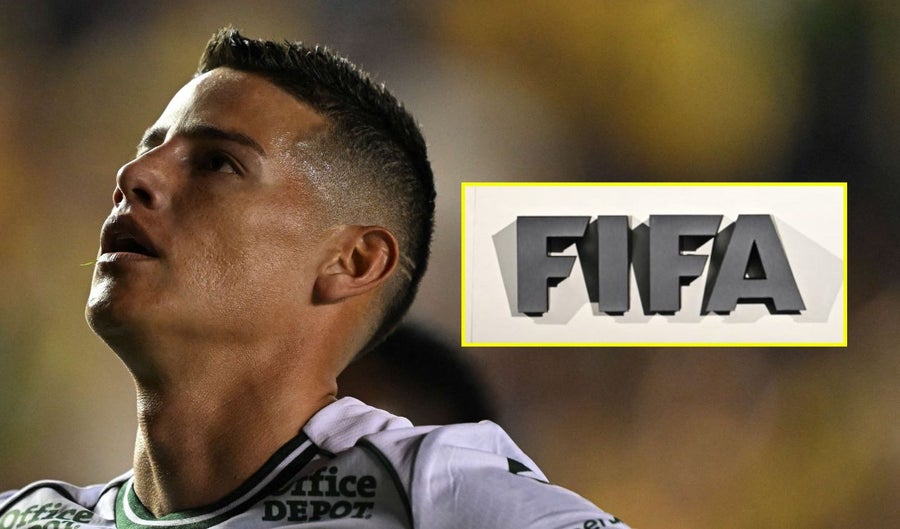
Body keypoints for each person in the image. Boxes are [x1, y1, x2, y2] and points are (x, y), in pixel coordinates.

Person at [0, 28, 628, 529]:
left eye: (218, 163)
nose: (134, 175)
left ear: (351, 263)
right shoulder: (26, 516)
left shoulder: (430, 491)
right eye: (150, 148)